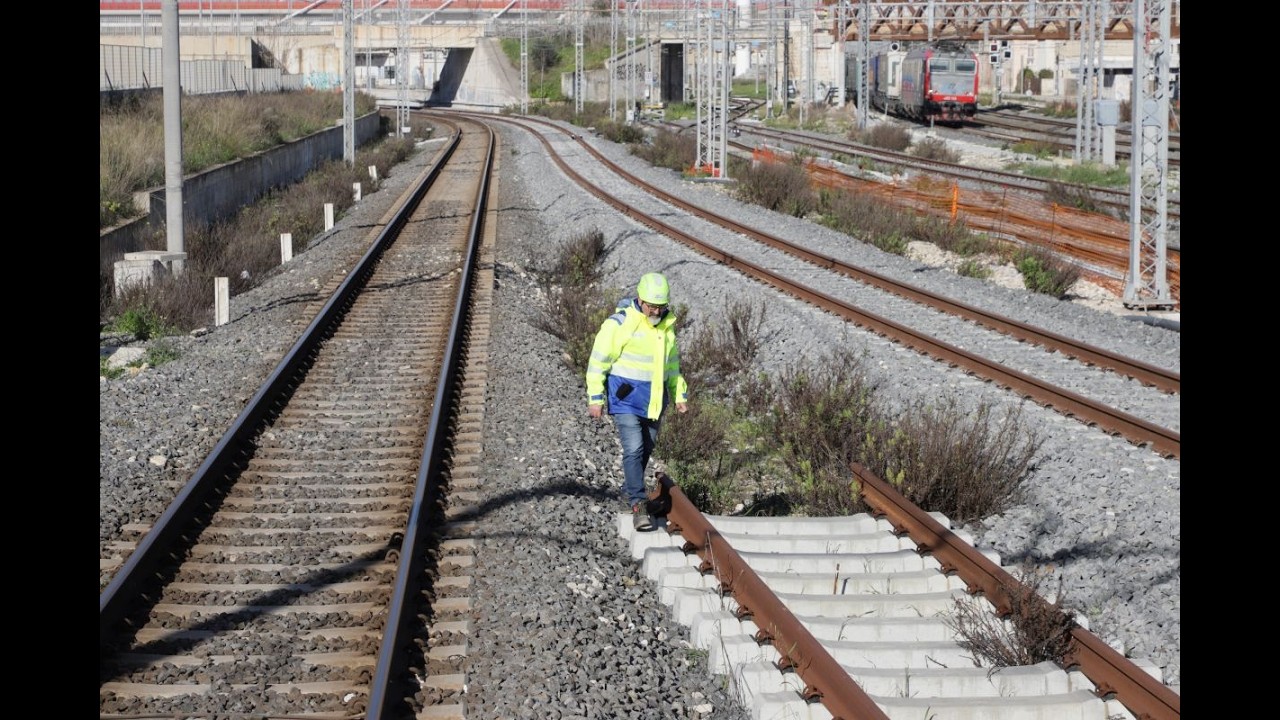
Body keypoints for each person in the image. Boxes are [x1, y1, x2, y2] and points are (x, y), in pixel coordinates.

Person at [586, 272, 689, 530]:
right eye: (651, 306)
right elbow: (598, 361)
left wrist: (679, 395)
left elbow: (672, 366)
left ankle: (629, 490)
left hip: (654, 402)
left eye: (660, 306)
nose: (655, 311)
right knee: (633, 449)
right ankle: (637, 504)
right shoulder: (619, 323)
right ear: (640, 300)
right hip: (625, 401)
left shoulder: (666, 328)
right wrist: (596, 398)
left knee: (645, 449)